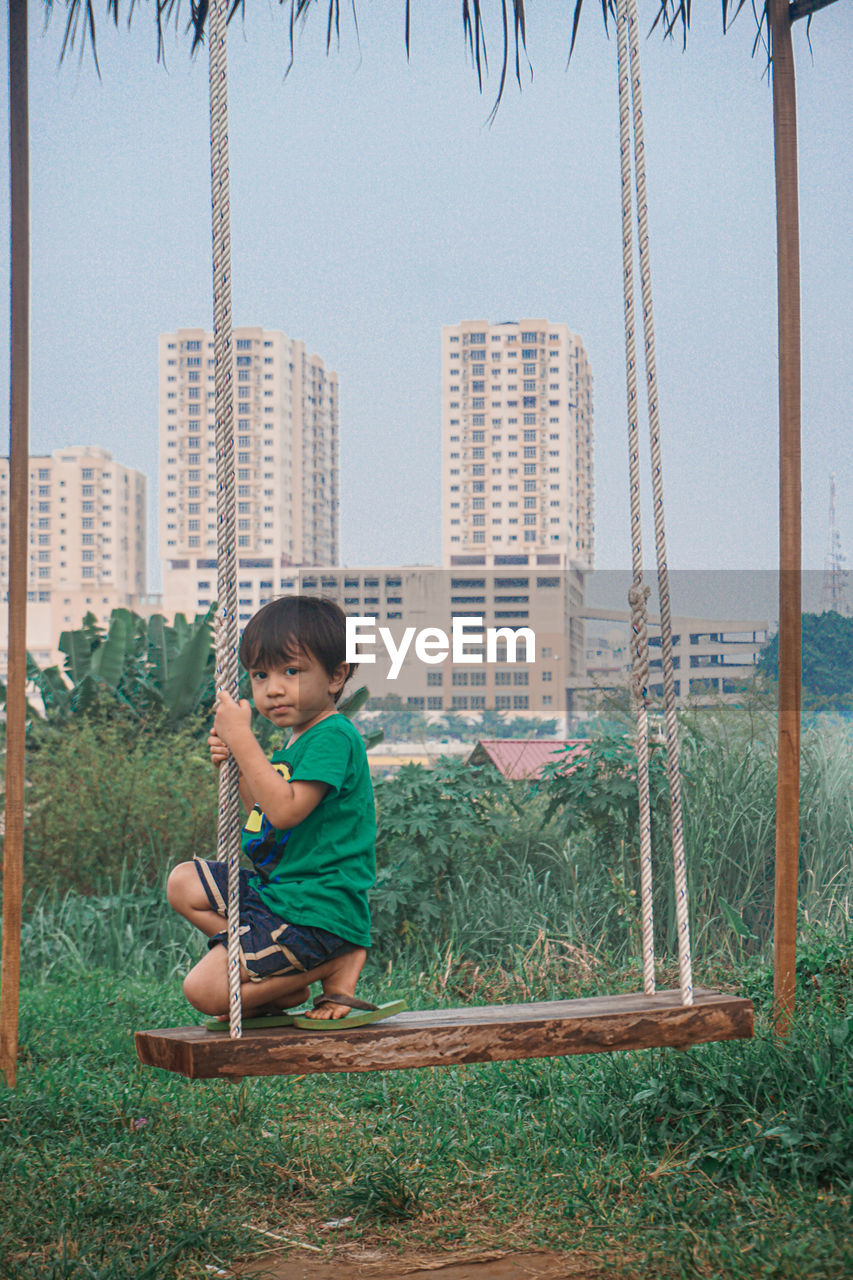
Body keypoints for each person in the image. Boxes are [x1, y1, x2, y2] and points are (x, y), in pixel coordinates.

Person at [167, 595, 377, 1024]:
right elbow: (261, 816)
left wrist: (244, 743)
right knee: (183, 882)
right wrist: (238, 764)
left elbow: (285, 812)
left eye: (291, 672)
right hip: (281, 895)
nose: (273, 688)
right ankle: (271, 978)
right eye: (260, 675)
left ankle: (331, 962)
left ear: (337, 676)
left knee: (204, 991)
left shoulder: (333, 737)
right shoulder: (297, 742)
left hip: (317, 909)